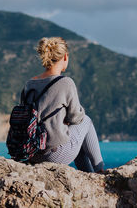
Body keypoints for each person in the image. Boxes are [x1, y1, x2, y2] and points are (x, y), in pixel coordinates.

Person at [24, 37, 104, 173]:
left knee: (73, 135)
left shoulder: (29, 84)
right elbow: (76, 118)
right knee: (86, 121)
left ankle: (89, 175)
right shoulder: (65, 82)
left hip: (31, 153)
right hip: (52, 155)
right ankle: (101, 171)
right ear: (65, 57)